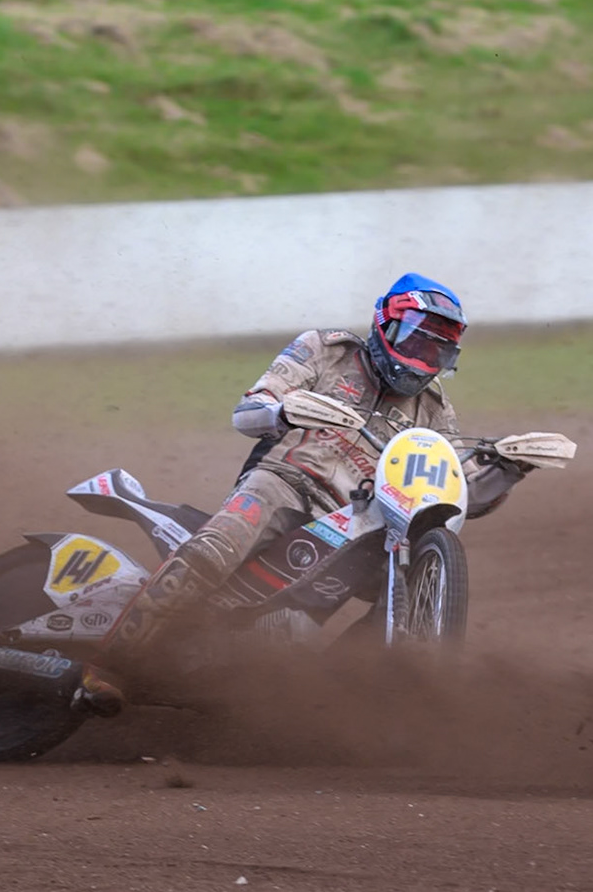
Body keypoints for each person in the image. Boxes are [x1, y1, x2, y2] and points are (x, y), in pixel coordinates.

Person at [73, 273, 529, 715]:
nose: (421, 357)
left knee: (405, 584)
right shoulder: (324, 350)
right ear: (384, 325)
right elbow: (247, 411)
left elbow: (447, 492)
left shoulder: (434, 409)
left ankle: (334, 702)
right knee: (215, 547)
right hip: (282, 482)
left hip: (357, 520)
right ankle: (110, 663)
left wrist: (505, 470)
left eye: (436, 348)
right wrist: (281, 412)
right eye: (414, 340)